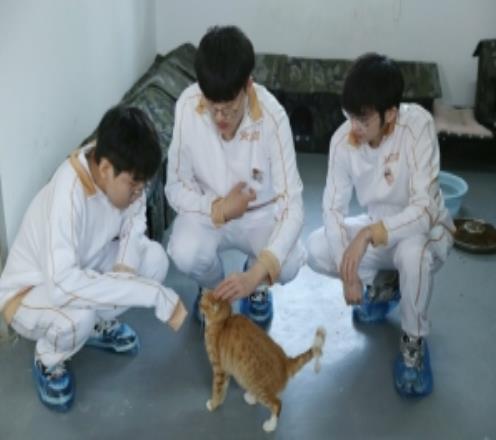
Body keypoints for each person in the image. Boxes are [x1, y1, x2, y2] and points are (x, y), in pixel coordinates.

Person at [0, 105, 187, 412]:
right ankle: (48, 360)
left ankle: (97, 326)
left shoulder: (125, 167)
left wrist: (125, 270)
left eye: (142, 186)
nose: (139, 194)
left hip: (83, 266)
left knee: (154, 260)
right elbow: (62, 286)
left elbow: (134, 222)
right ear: (105, 169)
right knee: (78, 319)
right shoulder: (68, 193)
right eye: (134, 186)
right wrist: (148, 293)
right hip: (29, 292)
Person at [306, 53, 455, 397]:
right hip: (378, 230)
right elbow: (332, 209)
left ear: (390, 114)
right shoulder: (343, 141)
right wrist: (349, 273)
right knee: (316, 248)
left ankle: (413, 343)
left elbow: (424, 211)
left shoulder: (417, 126)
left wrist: (367, 235)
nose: (354, 127)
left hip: (423, 233)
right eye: (349, 115)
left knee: (413, 254)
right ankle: (384, 289)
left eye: (363, 119)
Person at [165, 25, 306, 330]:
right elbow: (174, 186)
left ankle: (255, 285)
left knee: (290, 262)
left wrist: (256, 274)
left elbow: (293, 205)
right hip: (209, 213)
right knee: (184, 252)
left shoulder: (273, 117)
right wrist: (218, 208)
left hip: (260, 217)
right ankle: (215, 289)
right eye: (212, 108)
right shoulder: (187, 106)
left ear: (247, 85)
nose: (220, 118)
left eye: (229, 109)